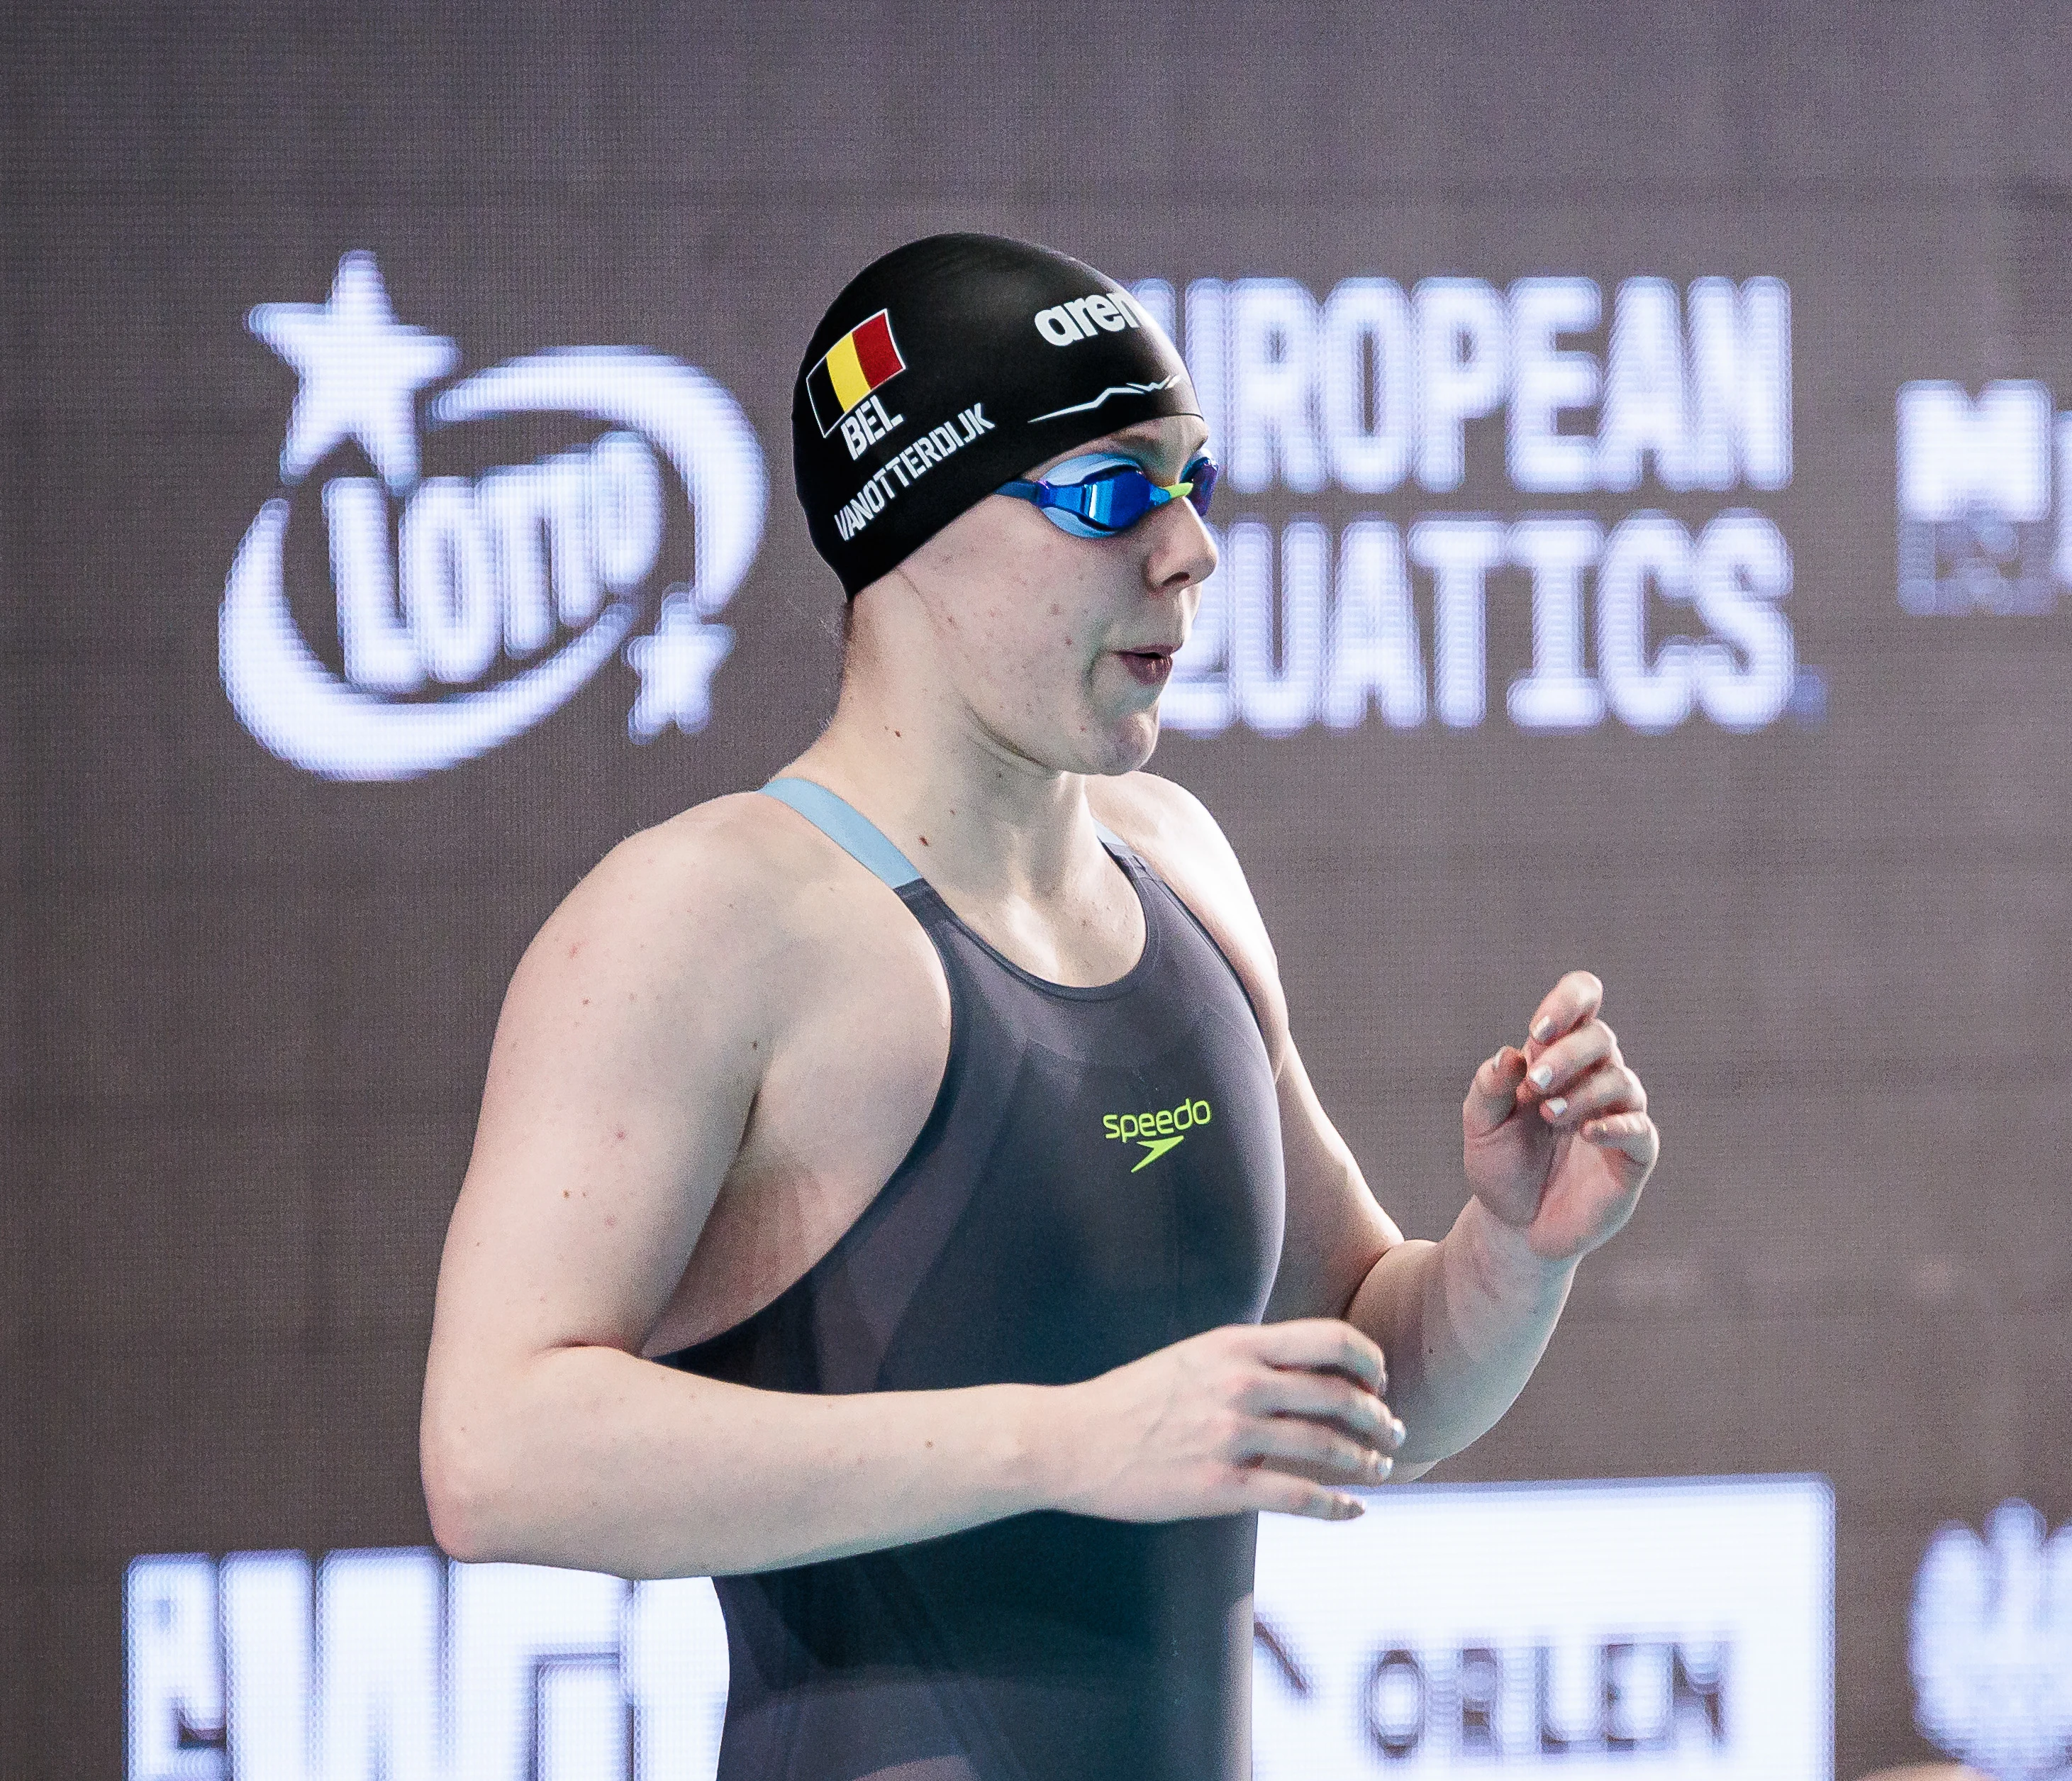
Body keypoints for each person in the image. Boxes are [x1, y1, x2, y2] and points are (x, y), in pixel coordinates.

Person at [420, 233, 1660, 1781]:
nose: (1188, 549)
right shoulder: (705, 922)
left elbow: (1360, 1369)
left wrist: (1512, 1257)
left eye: (1197, 483)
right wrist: (1063, 1442)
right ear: (914, 530)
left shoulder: (1176, 870)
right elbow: (494, 1455)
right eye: (1110, 495)